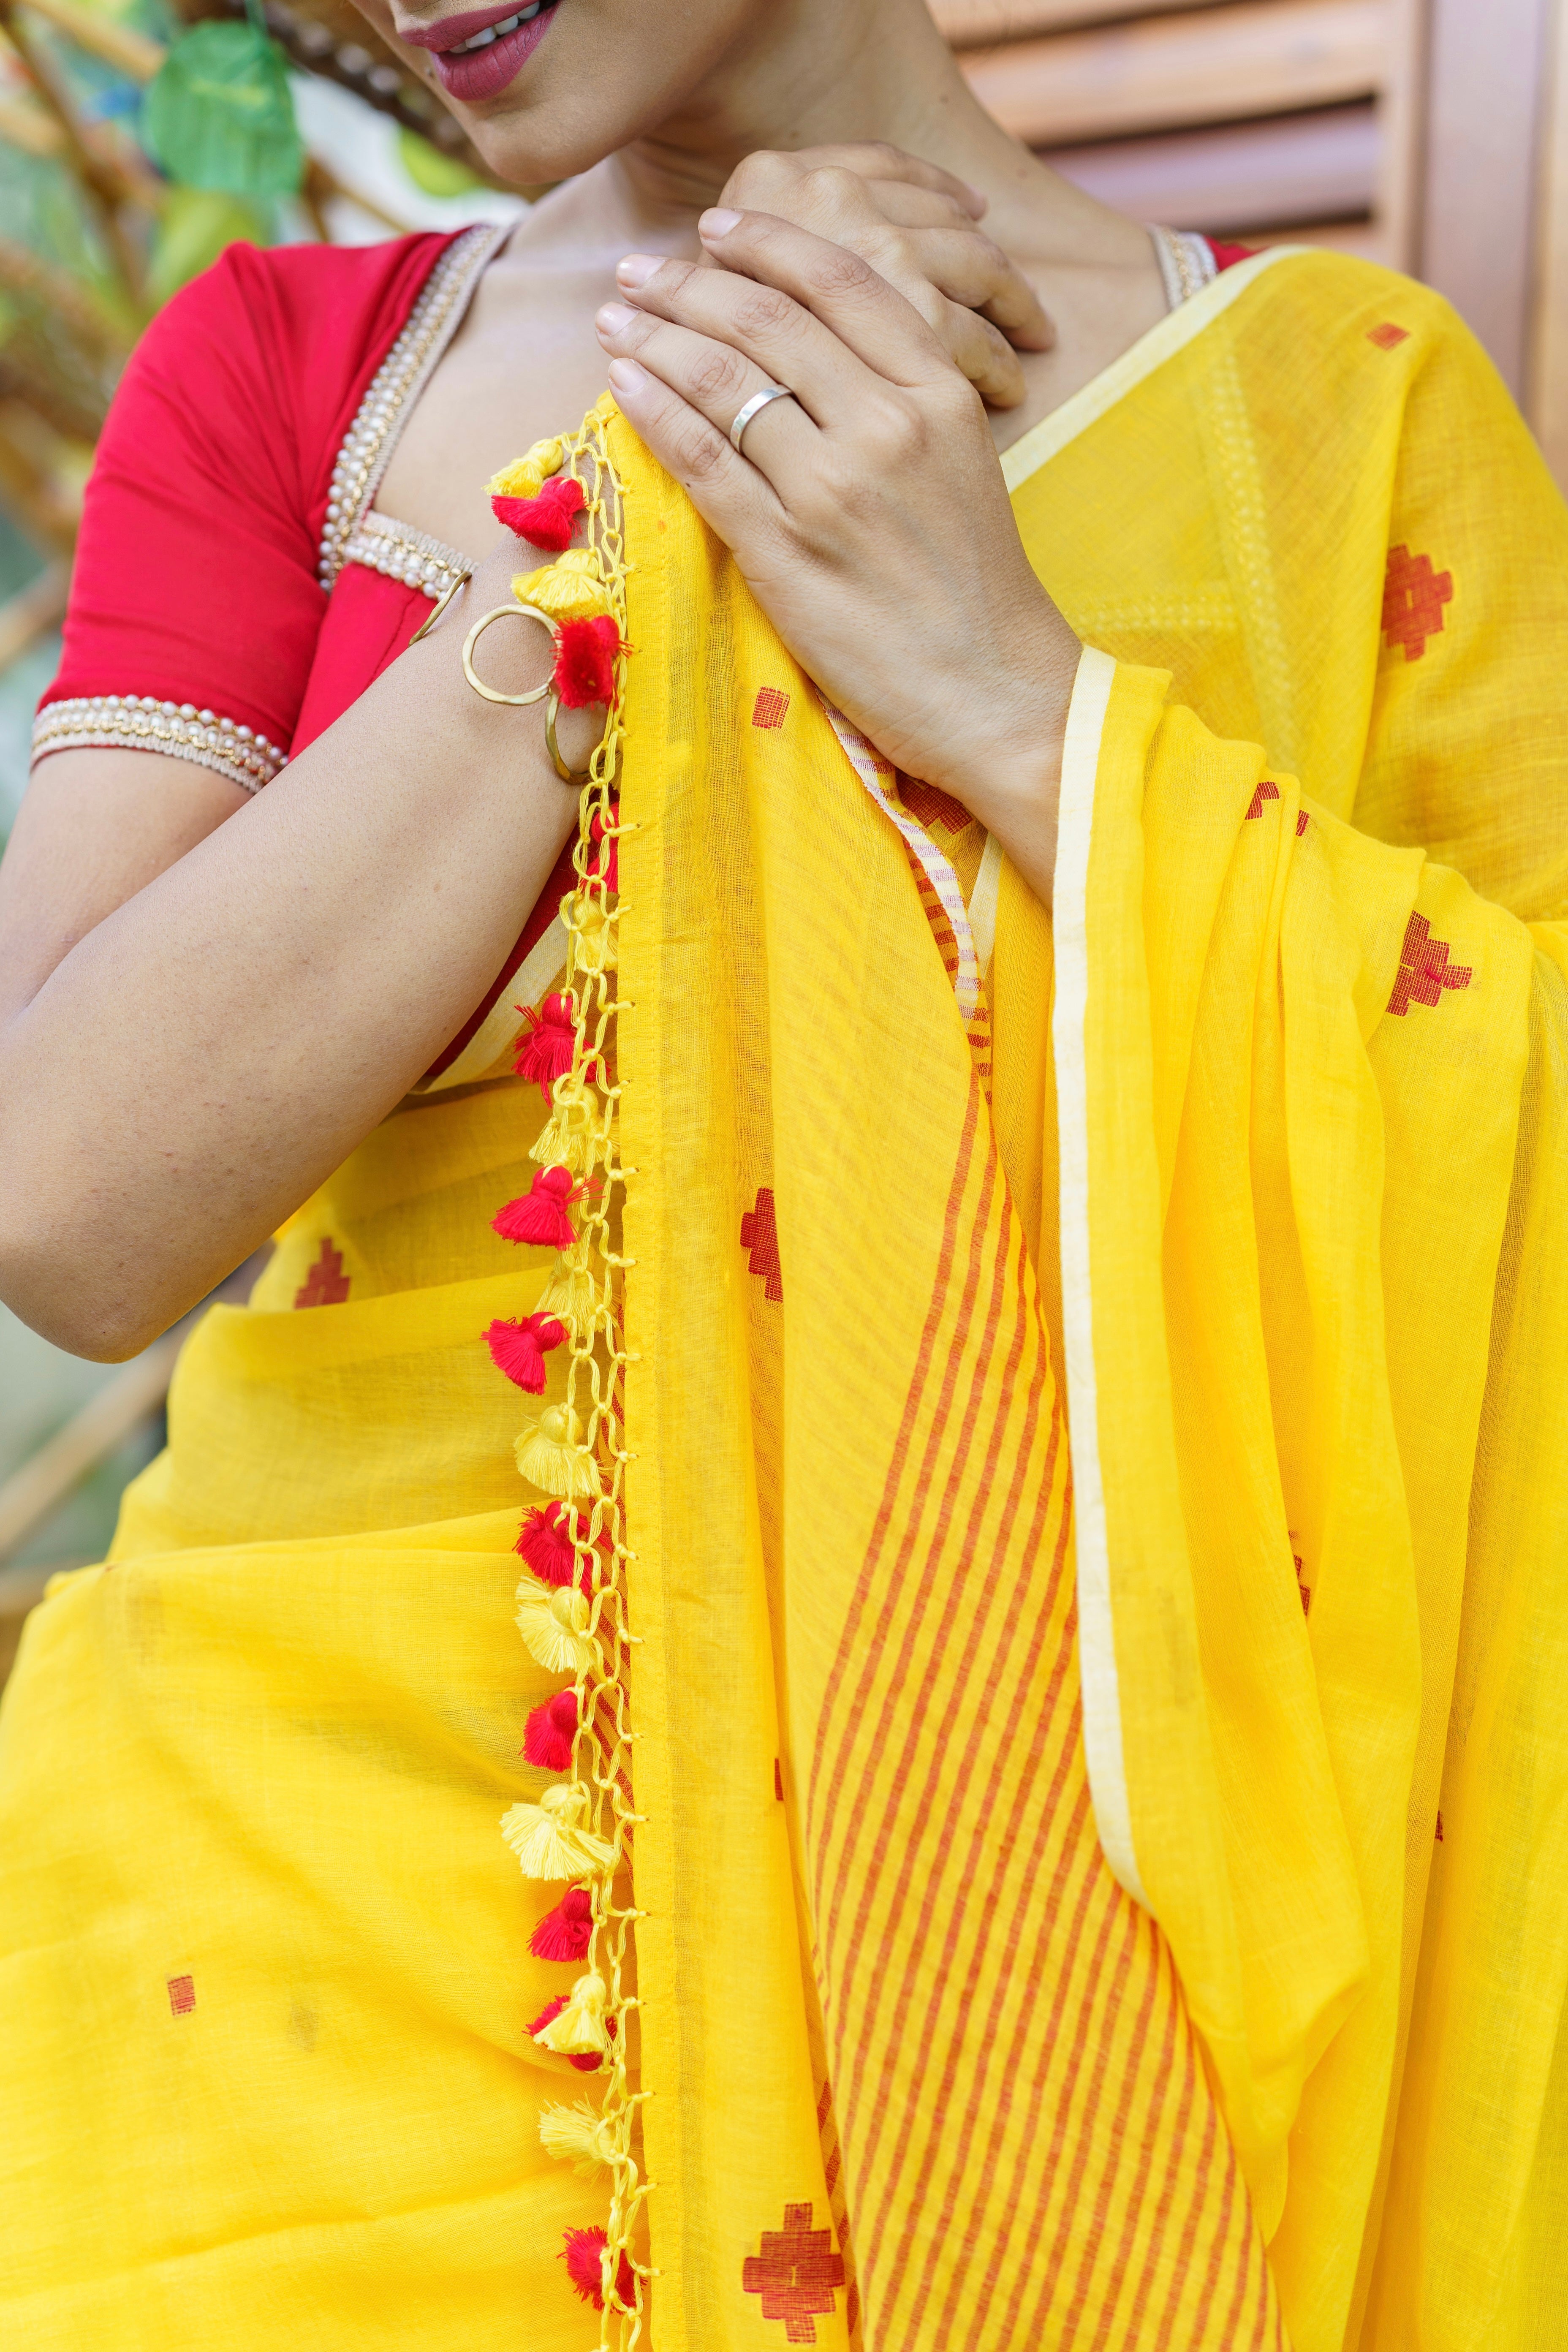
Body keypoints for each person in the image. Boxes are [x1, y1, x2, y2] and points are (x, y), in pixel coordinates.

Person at [3, 0, 1568, 2341]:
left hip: (1032, 1933)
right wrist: (627, 529)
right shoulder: (293, 370)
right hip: (285, 1930)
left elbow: (1512, 1138)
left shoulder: (1333, 416)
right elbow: (70, 1206)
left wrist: (1019, 708)